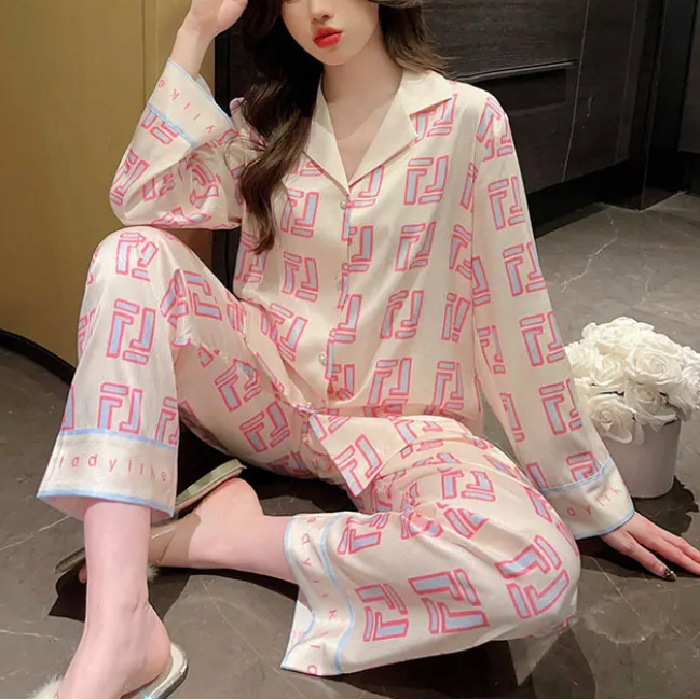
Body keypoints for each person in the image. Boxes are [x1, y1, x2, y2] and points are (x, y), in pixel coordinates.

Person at [34, 0, 700, 697]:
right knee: (131, 256)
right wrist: (195, 31)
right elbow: (143, 197)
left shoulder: (467, 122)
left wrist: (590, 494)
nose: (317, 9)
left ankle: (222, 538)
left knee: (534, 564)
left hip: (407, 428)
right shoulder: (268, 124)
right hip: (266, 399)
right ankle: (120, 629)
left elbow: (514, 312)